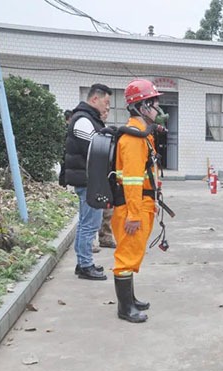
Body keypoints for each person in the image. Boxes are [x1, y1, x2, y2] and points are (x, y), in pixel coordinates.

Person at [111, 79, 164, 323]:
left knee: (133, 254)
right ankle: (125, 309)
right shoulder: (132, 138)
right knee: (126, 257)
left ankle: (130, 299)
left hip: (141, 203)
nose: (158, 109)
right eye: (154, 103)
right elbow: (131, 180)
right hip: (132, 207)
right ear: (142, 107)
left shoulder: (142, 134)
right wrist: (133, 214)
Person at [63, 83, 111, 280]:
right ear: (94, 99)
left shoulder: (90, 119)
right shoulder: (83, 120)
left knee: (87, 222)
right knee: (91, 223)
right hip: (87, 179)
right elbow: (97, 148)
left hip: (88, 178)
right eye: (106, 103)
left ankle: (82, 263)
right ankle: (85, 265)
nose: (108, 107)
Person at [97, 107, 117, 250]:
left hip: (108, 177)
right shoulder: (99, 133)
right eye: (104, 111)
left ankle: (105, 237)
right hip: (100, 177)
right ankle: (100, 237)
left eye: (107, 112)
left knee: (108, 211)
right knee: (97, 211)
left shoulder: (105, 132)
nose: (106, 114)